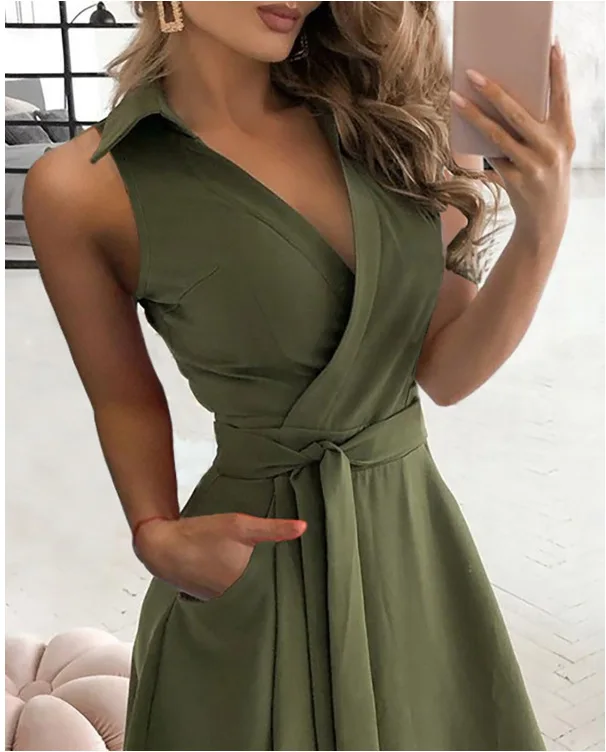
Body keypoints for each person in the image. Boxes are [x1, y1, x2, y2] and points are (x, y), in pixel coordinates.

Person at [24, 1, 575, 750]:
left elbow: (446, 371)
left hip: (413, 550)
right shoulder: (82, 186)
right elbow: (122, 395)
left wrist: (542, 231)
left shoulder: (387, 126)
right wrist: (154, 532)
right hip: (254, 570)